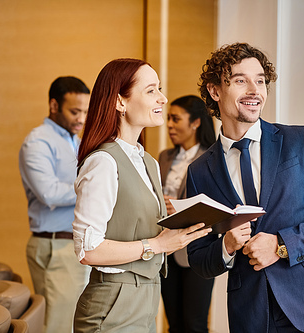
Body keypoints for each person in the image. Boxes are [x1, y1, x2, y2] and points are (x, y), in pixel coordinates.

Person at [186, 43, 304, 333]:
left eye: (260, 81)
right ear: (215, 91)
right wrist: (226, 247)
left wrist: (281, 245)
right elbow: (198, 258)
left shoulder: (300, 141)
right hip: (251, 317)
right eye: (241, 80)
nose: (255, 90)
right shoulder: (200, 171)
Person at [72, 58, 211, 333]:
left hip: (147, 297)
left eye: (159, 89)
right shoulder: (103, 161)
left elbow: (142, 233)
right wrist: (157, 246)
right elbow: (87, 249)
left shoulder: (148, 161)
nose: (163, 97)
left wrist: (179, 234)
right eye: (151, 90)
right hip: (113, 304)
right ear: (120, 102)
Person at [18, 76, 92, 333]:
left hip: (72, 244)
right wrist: (90, 189)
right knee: (58, 327)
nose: (81, 118)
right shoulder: (38, 141)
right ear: (53, 105)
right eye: (74, 111)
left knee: (69, 324)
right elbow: (48, 193)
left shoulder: (75, 141)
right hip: (54, 245)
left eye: (84, 111)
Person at [158, 95, 216, 333]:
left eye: (175, 119)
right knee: (174, 324)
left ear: (195, 123)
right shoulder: (164, 157)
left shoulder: (212, 158)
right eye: (168, 118)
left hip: (197, 250)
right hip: (165, 248)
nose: (169, 124)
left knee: (195, 324)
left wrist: (180, 206)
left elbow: (217, 203)